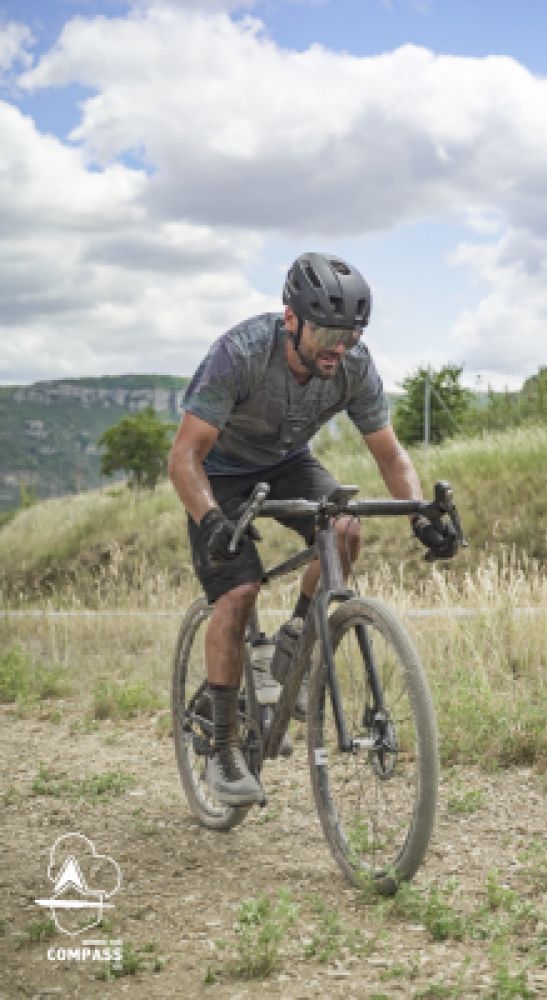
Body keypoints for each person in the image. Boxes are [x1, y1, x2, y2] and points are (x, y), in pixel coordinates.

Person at [168, 252, 458, 807]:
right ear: (291, 319)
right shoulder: (239, 354)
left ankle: (293, 640)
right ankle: (225, 748)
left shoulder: (353, 365)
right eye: (326, 330)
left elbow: (391, 456)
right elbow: (184, 456)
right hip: (218, 472)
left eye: (349, 333)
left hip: (285, 462)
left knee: (345, 527)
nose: (337, 346)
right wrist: (210, 522)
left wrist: (421, 515)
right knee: (238, 591)